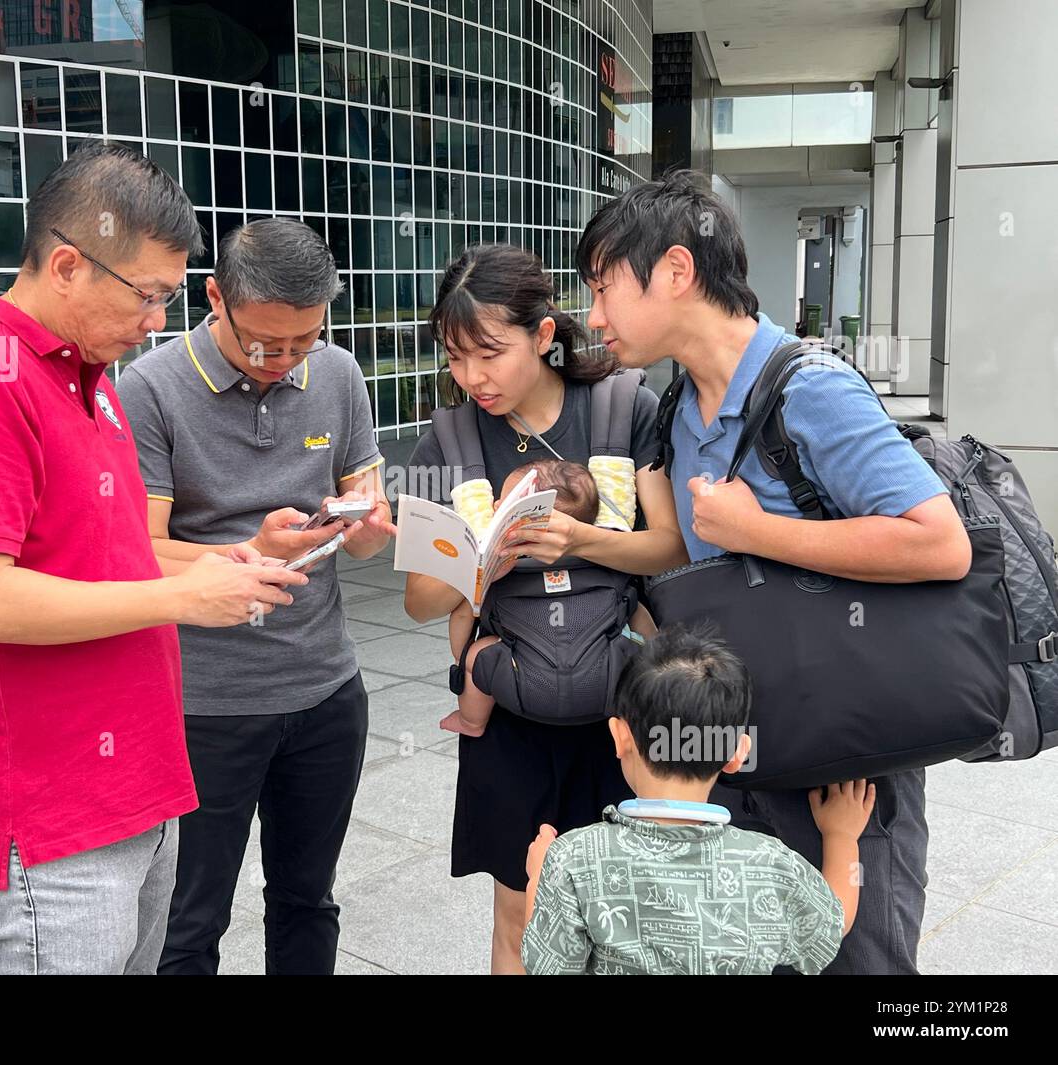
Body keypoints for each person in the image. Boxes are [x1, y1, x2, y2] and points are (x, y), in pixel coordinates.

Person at [0, 143, 306, 974]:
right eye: (148, 295)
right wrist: (183, 601)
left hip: (139, 789)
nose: (158, 320)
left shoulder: (89, 374)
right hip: (53, 816)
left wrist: (229, 561)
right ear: (69, 265)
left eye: (169, 296)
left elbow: (109, 560)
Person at [577, 168, 970, 973]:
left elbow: (940, 542)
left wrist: (759, 530)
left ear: (678, 271)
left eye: (603, 287)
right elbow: (704, 563)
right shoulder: (681, 405)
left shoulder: (812, 389)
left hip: (842, 762)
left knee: (857, 961)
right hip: (736, 748)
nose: (593, 317)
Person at [117, 218, 395, 975]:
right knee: (189, 916)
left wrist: (370, 525)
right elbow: (137, 550)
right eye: (265, 343)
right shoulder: (150, 388)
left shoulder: (337, 373)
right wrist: (248, 553)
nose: (284, 361)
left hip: (325, 689)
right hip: (204, 702)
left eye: (303, 340)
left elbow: (365, 530)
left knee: (309, 900)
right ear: (215, 297)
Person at [404, 243, 689, 973]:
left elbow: (669, 549)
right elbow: (418, 600)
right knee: (522, 914)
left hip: (620, 710)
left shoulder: (623, 407)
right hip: (512, 713)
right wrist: (484, 557)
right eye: (455, 358)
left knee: (625, 918)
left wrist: (582, 538)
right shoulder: (452, 439)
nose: (472, 378)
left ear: (542, 334)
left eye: (489, 354)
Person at [521, 622, 876, 975]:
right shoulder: (771, 863)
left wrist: (540, 878)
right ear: (738, 753)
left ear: (620, 737)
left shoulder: (573, 859)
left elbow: (547, 966)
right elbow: (833, 922)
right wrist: (842, 837)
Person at [442, 458, 655, 738]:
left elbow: (464, 616)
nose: (495, 507)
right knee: (637, 640)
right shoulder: (606, 561)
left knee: (475, 655)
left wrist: (463, 655)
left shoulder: (502, 569)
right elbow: (636, 611)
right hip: (609, 680)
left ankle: (472, 721)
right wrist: (655, 648)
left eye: (505, 506)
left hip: (522, 684)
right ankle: (638, 724)